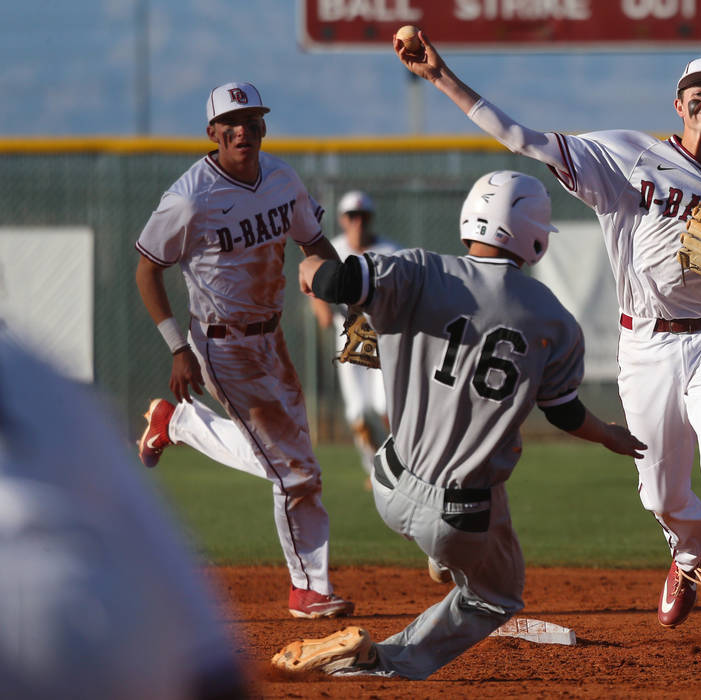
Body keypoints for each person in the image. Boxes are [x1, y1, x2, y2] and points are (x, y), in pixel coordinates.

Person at [394, 36, 701, 658]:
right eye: (699, 93)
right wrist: (443, 77)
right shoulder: (626, 156)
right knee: (659, 492)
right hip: (643, 344)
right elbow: (522, 139)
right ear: (678, 104)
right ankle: (688, 547)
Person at [271, 170, 646, 679]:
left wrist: (311, 263)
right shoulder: (555, 320)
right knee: (498, 594)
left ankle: (441, 553)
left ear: (470, 219)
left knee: (469, 481)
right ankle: (381, 661)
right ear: (534, 235)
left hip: (390, 482)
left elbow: (335, 281)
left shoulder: (420, 269)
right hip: (460, 516)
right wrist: (608, 435)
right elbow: (563, 411)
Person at [133, 81, 353, 620]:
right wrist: (177, 348)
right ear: (211, 133)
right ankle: (308, 590)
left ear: (263, 127)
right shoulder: (190, 198)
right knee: (296, 470)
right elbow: (147, 270)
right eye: (230, 122)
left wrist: (349, 297)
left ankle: (179, 425)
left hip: (271, 339)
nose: (242, 130)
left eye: (252, 119)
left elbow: (314, 243)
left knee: (285, 459)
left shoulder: (281, 178)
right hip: (220, 343)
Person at [0, 332, 247, 700]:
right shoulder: (36, 373)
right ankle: (182, 423)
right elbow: (140, 521)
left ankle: (181, 423)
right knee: (289, 464)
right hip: (94, 623)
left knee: (289, 464)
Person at [308, 190, 400, 483]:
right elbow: (312, 279)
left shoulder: (390, 249)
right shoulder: (333, 248)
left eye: (362, 216)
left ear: (370, 219)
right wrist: (321, 308)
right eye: (351, 216)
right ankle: (375, 471)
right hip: (347, 332)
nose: (357, 221)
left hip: (382, 334)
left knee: (384, 406)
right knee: (358, 411)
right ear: (342, 220)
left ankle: (399, 464)